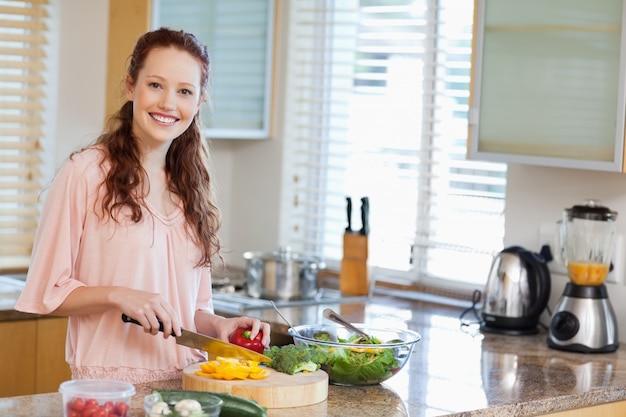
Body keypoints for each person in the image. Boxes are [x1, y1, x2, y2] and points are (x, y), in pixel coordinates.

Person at [15, 27, 270, 384]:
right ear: (130, 86)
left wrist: (219, 326)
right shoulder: (87, 173)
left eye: (184, 91)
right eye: (156, 85)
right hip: (110, 388)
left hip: (189, 384)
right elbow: (47, 292)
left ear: (198, 103)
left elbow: (191, 311)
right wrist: (119, 295)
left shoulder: (192, 186)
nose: (168, 103)